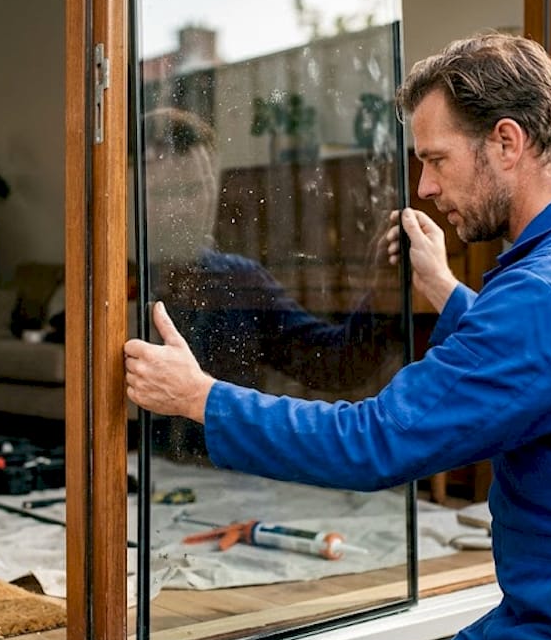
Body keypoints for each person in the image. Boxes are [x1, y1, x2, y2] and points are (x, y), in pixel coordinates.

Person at [125, 33, 551, 640]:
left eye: (436, 159)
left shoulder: (550, 292)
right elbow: (548, 367)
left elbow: (372, 443)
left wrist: (202, 397)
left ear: (507, 142)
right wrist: (446, 290)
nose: (425, 187)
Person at [138, 107, 402, 460]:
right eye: (170, 192)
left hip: (220, 484)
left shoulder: (237, 279)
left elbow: (333, 364)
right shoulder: (106, 280)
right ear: (133, 196)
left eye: (199, 188)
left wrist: (383, 290)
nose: (190, 207)